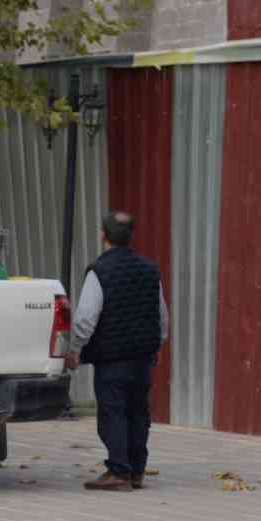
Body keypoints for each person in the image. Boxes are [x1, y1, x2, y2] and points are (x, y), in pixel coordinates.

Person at [66, 210, 169, 492]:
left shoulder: (100, 270)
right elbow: (161, 315)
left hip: (112, 359)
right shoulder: (150, 270)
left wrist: (74, 350)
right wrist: (157, 344)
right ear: (131, 236)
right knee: (138, 413)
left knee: (113, 413)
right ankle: (136, 471)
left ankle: (119, 471)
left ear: (103, 235)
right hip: (142, 358)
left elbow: (86, 317)